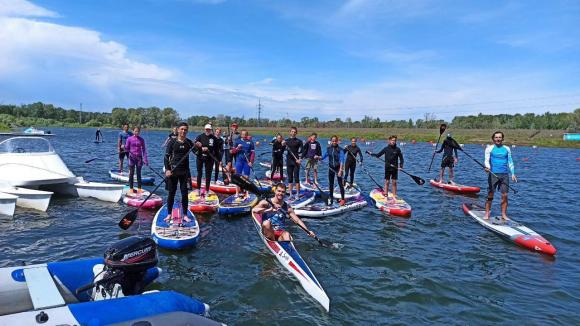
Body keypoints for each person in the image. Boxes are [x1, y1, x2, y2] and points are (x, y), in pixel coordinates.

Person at [252, 183, 316, 241]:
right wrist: (269, 210)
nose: (280, 193)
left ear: (285, 193)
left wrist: (308, 231)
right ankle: (273, 241)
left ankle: (287, 248)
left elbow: (297, 220)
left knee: (287, 234)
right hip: (268, 230)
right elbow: (254, 210)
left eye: (283, 192)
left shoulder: (287, 207)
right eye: (279, 191)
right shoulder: (266, 202)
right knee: (266, 223)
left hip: (280, 232)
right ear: (275, 191)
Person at [164, 122, 194, 222]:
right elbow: (166, 157)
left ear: (187, 131)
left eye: (185, 129)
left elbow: (197, 153)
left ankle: (185, 214)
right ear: (178, 130)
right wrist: (167, 169)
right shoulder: (172, 142)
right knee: (171, 193)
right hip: (173, 172)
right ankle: (169, 214)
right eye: (181, 129)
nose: (183, 131)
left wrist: (199, 147)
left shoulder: (189, 142)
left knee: (185, 194)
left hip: (185, 172)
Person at [484, 131, 517, 220]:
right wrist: (487, 167)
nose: (498, 139)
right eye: (496, 137)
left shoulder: (507, 149)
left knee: (505, 195)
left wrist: (513, 173)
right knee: (490, 194)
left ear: (502, 138)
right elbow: (486, 160)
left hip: (504, 175)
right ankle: (487, 213)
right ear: (493, 139)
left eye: (499, 137)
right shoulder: (489, 149)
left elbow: (510, 161)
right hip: (493, 174)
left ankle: (503, 214)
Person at [368, 135, 404, 200]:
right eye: (392, 140)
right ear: (389, 141)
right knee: (387, 181)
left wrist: (401, 166)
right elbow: (378, 155)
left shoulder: (397, 149)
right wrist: (371, 154)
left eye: (395, 140)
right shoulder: (386, 149)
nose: (393, 141)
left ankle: (394, 195)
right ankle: (386, 194)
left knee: (394, 182)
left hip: (395, 168)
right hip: (387, 167)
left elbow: (401, 159)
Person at [321, 135, 345, 206]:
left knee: (340, 184)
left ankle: (343, 199)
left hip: (338, 168)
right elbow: (323, 156)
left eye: (335, 141)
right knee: (331, 184)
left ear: (337, 141)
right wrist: (318, 157)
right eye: (333, 141)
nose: (334, 142)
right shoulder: (329, 149)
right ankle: (331, 197)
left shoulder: (340, 149)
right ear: (331, 141)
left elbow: (342, 160)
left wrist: (340, 170)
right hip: (331, 168)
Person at [194, 124, 219, 195]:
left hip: (209, 158)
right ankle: (198, 189)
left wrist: (219, 160)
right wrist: (200, 148)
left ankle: (207, 190)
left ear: (211, 130)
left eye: (209, 129)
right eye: (206, 129)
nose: (207, 130)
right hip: (200, 157)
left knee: (208, 174)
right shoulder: (200, 136)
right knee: (199, 173)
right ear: (204, 129)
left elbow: (216, 150)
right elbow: (194, 145)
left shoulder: (214, 138)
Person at [125, 126, 149, 194]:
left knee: (139, 174)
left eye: (138, 131)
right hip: (131, 158)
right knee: (131, 173)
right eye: (135, 131)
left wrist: (145, 159)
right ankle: (131, 188)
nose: (136, 132)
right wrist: (124, 147)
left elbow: (144, 150)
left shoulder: (141, 139)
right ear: (133, 131)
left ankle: (139, 188)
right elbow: (127, 148)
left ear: (139, 132)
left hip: (139, 158)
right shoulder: (129, 139)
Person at [284, 127, 303, 197]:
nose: (293, 133)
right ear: (290, 132)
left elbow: (302, 151)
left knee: (297, 178)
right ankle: (291, 194)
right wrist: (282, 144)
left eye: (295, 132)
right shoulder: (286, 141)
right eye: (292, 131)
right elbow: (281, 148)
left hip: (296, 161)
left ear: (296, 133)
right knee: (290, 178)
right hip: (289, 161)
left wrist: (300, 159)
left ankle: (298, 194)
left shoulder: (299, 141)